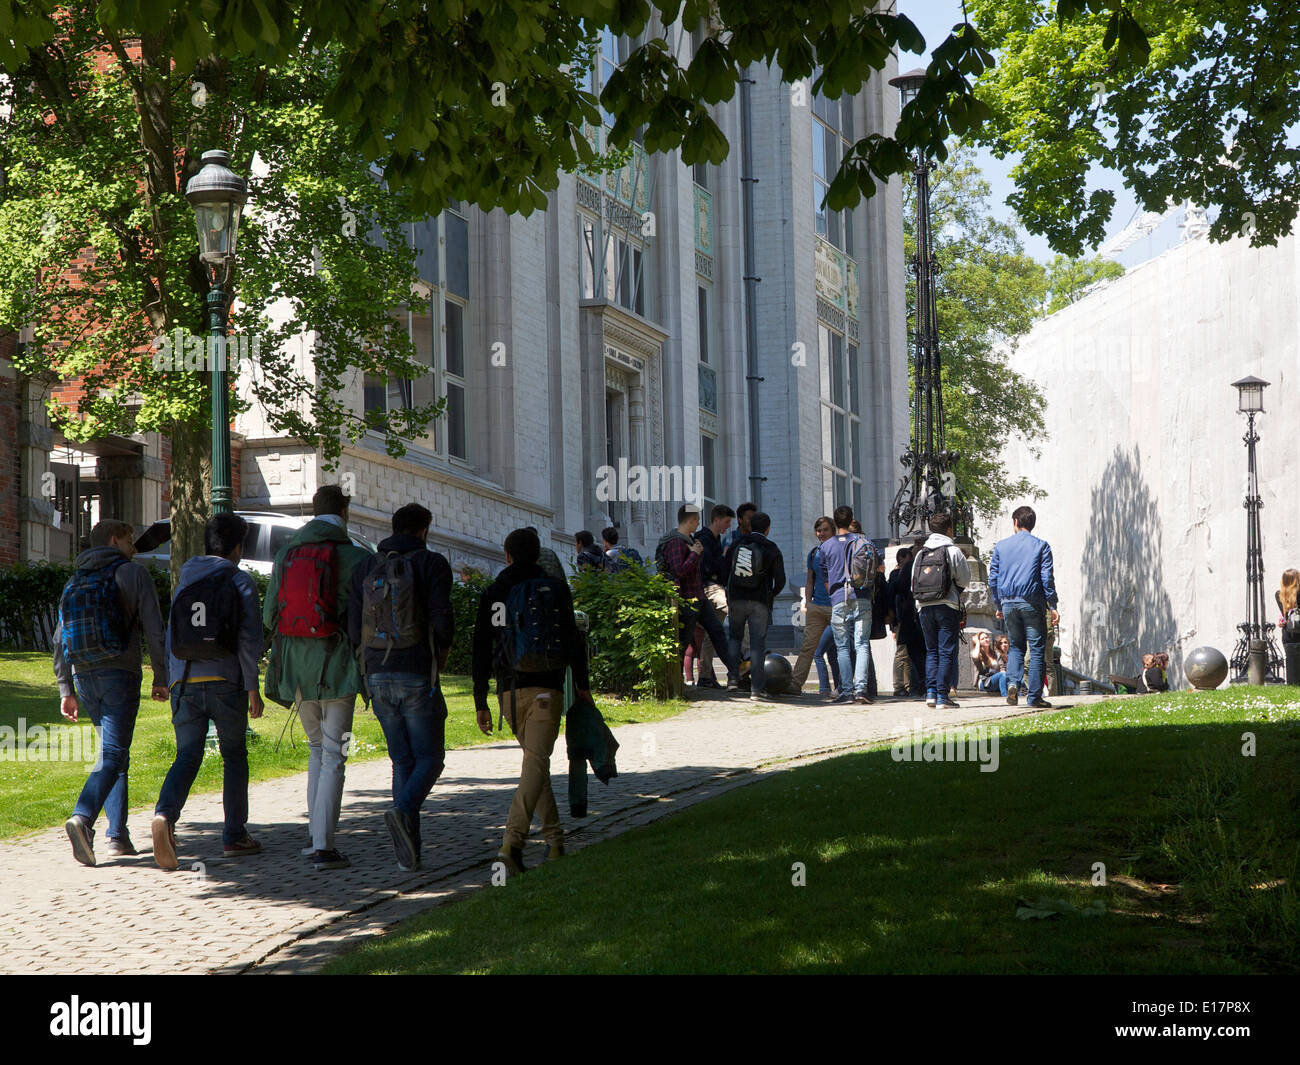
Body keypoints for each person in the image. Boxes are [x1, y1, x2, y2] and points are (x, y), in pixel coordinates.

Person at [263, 484, 371, 870]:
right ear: (345, 511)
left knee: (315, 750)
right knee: (334, 756)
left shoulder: (287, 553)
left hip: (296, 669)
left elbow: (268, 616)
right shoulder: (357, 558)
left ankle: (315, 839)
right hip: (338, 667)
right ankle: (324, 845)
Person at [471, 527, 590, 875]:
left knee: (534, 766)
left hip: (508, 692)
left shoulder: (496, 591)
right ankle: (512, 844)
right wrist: (582, 685)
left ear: (507, 556)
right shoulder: (554, 588)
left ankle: (555, 843)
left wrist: (481, 700)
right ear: (538, 555)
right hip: (546, 689)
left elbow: (483, 647)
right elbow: (573, 638)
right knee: (536, 765)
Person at [151, 512, 265, 870]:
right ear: (237, 547)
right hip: (225, 681)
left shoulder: (185, 581)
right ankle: (234, 835)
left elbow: (172, 636)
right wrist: (252, 687)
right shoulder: (240, 580)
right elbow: (249, 639)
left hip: (184, 680)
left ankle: (165, 815)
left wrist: (172, 681)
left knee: (187, 756)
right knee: (234, 755)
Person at [55, 519, 169, 866]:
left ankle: (118, 836)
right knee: (114, 753)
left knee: (113, 752)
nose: (134, 546)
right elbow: (154, 628)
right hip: (120, 671)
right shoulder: (133, 574)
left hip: (84, 675)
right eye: (130, 539)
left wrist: (65, 688)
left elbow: (60, 640)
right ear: (115, 539)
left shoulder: (75, 579)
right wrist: (161, 676)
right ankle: (83, 817)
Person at [348, 503, 454, 871]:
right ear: (423, 531)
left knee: (402, 760)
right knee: (430, 758)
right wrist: (442, 656)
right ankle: (402, 810)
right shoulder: (431, 563)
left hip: (376, 674)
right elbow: (443, 620)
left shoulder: (364, 567)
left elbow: (351, 629)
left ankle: (408, 855)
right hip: (415, 671)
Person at [657, 504, 739, 688]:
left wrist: (696, 552)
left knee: (717, 632)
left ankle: (736, 672)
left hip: (699, 597)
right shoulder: (676, 542)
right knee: (684, 641)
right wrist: (694, 554)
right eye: (697, 520)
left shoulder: (690, 539)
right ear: (691, 520)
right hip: (687, 600)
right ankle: (676, 684)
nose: (699, 523)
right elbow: (679, 571)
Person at [988, 505, 1059, 709]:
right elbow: (1047, 578)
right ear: (1032, 524)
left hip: (1009, 602)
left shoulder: (1001, 547)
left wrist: (998, 603)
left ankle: (1012, 683)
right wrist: (1052, 604)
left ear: (1016, 522)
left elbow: (993, 578)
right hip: (1032, 602)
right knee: (1036, 649)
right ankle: (1034, 696)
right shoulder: (1042, 546)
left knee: (1016, 645)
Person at [724, 511, 786, 700]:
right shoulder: (771, 548)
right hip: (759, 602)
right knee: (757, 645)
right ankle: (756, 690)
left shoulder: (737, 544)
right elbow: (780, 580)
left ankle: (733, 680)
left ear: (750, 526)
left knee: (735, 638)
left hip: (736, 599)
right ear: (767, 529)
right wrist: (771, 595)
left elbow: (724, 568)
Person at [821, 506, 879, 704]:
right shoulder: (863, 541)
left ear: (835, 523)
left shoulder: (826, 546)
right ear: (851, 519)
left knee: (842, 647)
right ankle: (862, 690)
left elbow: (825, 575)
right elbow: (878, 565)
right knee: (861, 644)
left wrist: (833, 594)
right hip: (861, 595)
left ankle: (846, 691)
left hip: (839, 598)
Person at [914, 511, 971, 710]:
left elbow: (915, 581)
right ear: (949, 529)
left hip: (924, 606)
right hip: (947, 604)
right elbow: (964, 578)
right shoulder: (952, 550)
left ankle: (930, 693)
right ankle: (942, 696)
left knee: (931, 651)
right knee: (946, 651)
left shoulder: (921, 553)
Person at [790, 516, 837, 696]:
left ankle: (843, 686)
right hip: (816, 607)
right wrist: (808, 601)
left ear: (832, 530)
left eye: (825, 529)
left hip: (835, 606)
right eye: (819, 530)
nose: (821, 533)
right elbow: (810, 580)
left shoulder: (839, 550)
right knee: (808, 647)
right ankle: (795, 684)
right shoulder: (813, 553)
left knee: (839, 648)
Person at [694, 504, 735, 689]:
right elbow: (708, 565)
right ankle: (741, 663)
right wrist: (725, 557)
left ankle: (704, 676)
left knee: (712, 634)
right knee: (736, 613)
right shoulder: (705, 538)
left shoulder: (716, 539)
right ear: (716, 519)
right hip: (710, 587)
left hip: (715, 586)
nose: (728, 526)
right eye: (726, 522)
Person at [887, 548, 914, 696]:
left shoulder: (897, 574)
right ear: (903, 558)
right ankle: (899, 686)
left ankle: (908, 685)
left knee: (907, 653)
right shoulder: (897, 575)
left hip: (901, 618)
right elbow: (892, 597)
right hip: (901, 618)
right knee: (902, 652)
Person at [1277, 568, 1300, 685]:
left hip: (1288, 635)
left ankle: (1292, 685)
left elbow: (1285, 615)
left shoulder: (1279, 595)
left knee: (1291, 663)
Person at [970, 631, 1009, 698]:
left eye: (987, 637)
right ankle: (1005, 697)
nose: (986, 639)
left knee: (1019, 680)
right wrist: (977, 643)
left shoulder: (996, 653)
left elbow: (1002, 668)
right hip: (984, 682)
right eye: (983, 639)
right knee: (1003, 675)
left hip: (996, 679)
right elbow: (975, 657)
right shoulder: (977, 654)